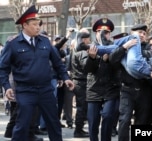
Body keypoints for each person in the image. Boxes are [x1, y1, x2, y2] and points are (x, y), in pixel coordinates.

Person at [0, 5, 74, 141]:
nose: (38, 27)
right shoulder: (13, 44)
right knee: (22, 125)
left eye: (39, 24)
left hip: (46, 89)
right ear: (24, 25)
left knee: (54, 123)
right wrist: (7, 87)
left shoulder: (45, 41)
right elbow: (3, 69)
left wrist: (66, 77)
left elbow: (57, 63)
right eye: (34, 24)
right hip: (25, 90)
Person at [70, 28, 90, 137]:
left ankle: (79, 129)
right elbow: (86, 66)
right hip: (81, 82)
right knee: (82, 107)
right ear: (83, 39)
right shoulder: (82, 51)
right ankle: (78, 130)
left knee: (81, 106)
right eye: (88, 39)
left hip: (78, 81)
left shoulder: (76, 50)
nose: (89, 41)